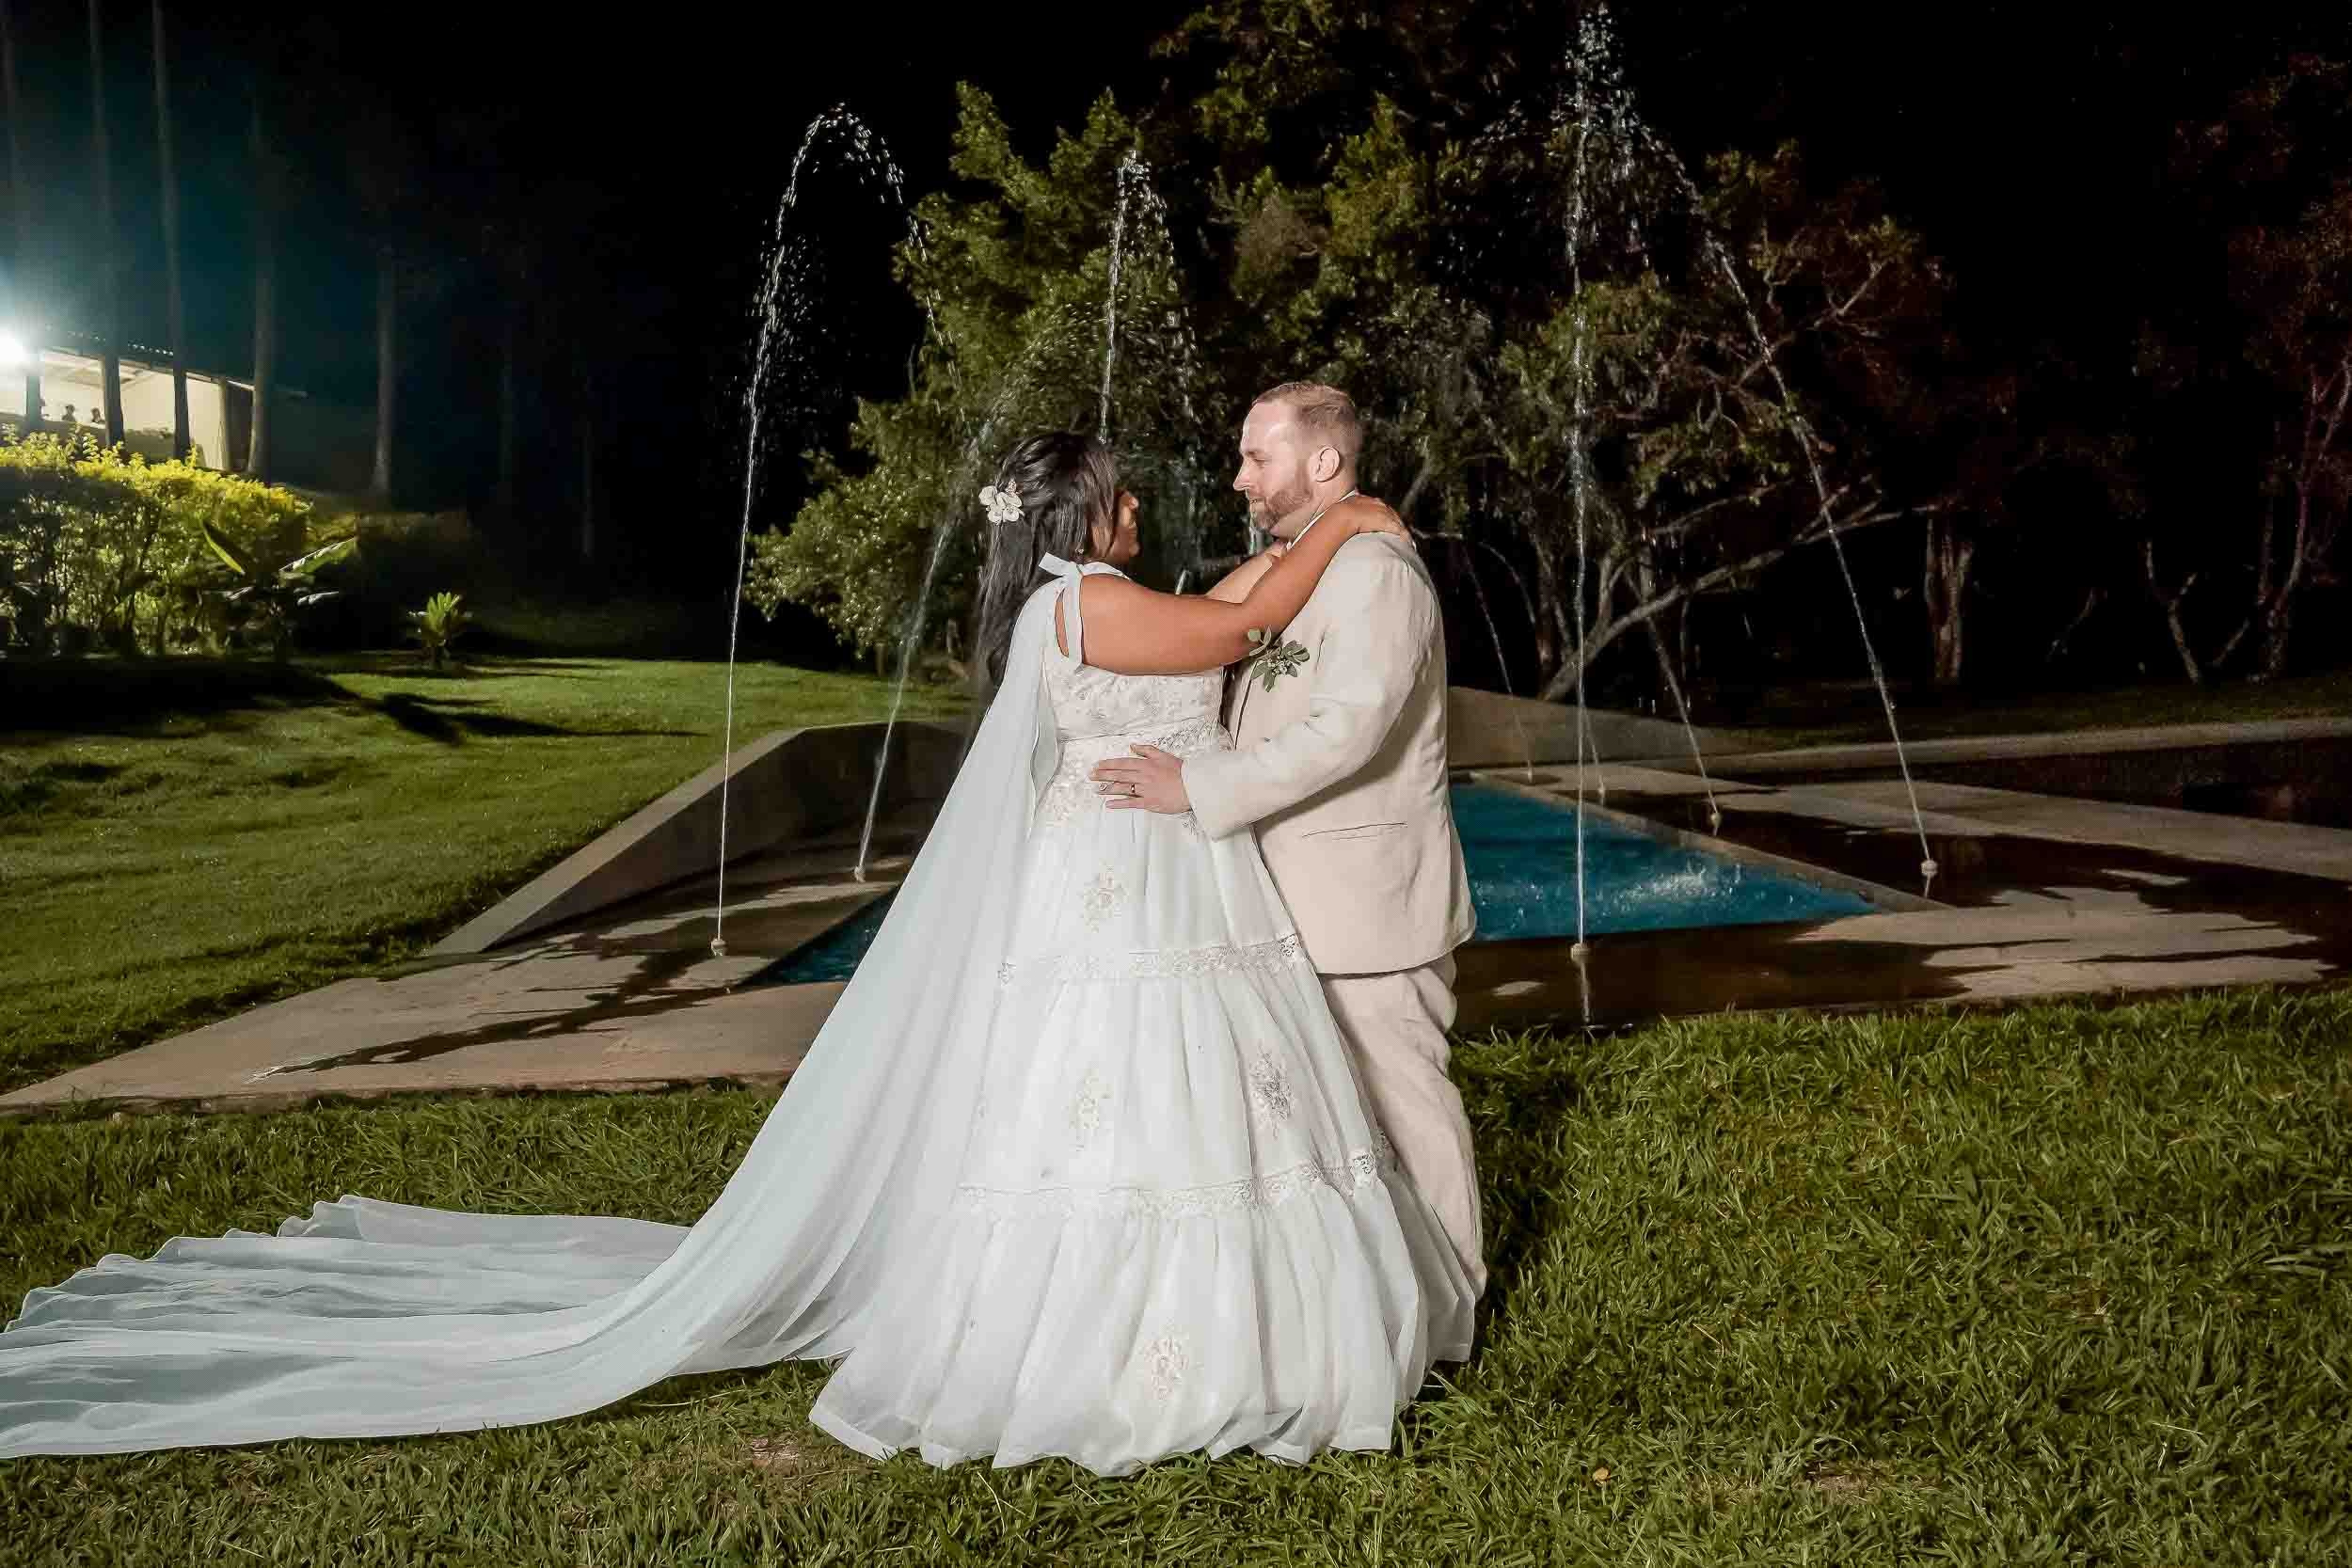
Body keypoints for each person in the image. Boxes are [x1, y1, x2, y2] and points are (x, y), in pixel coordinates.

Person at [0, 432, 1473, 1475]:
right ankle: (1153, 1343)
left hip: (1145, 875)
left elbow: (1215, 626)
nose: (1149, 506)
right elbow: (1240, 632)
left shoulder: (1061, 606)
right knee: (1139, 1097)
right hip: (1135, 881)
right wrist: (1347, 524)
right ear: (1084, 516)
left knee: (1138, 1098)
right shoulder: (1086, 603)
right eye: (1130, 494)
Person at [1091, 383, 1486, 1299]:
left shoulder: (1381, 574)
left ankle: (1458, 1299)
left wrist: (1197, 785)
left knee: (1404, 1098)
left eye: (1255, 457)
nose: (1238, 479)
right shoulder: (1305, 567)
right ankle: (1370, 1297)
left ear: (1323, 461)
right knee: (1330, 1115)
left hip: (1363, 895)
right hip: (1280, 890)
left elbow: (1348, 733)